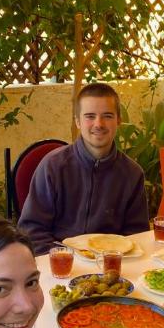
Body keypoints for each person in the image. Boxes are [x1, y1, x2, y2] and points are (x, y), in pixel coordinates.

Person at [19, 83, 149, 254]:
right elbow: (31, 230)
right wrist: (65, 260)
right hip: (59, 264)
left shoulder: (132, 174)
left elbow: (136, 236)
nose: (99, 124)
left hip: (111, 266)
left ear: (119, 120)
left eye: (107, 116)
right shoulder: (53, 166)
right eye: (90, 116)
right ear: (77, 121)